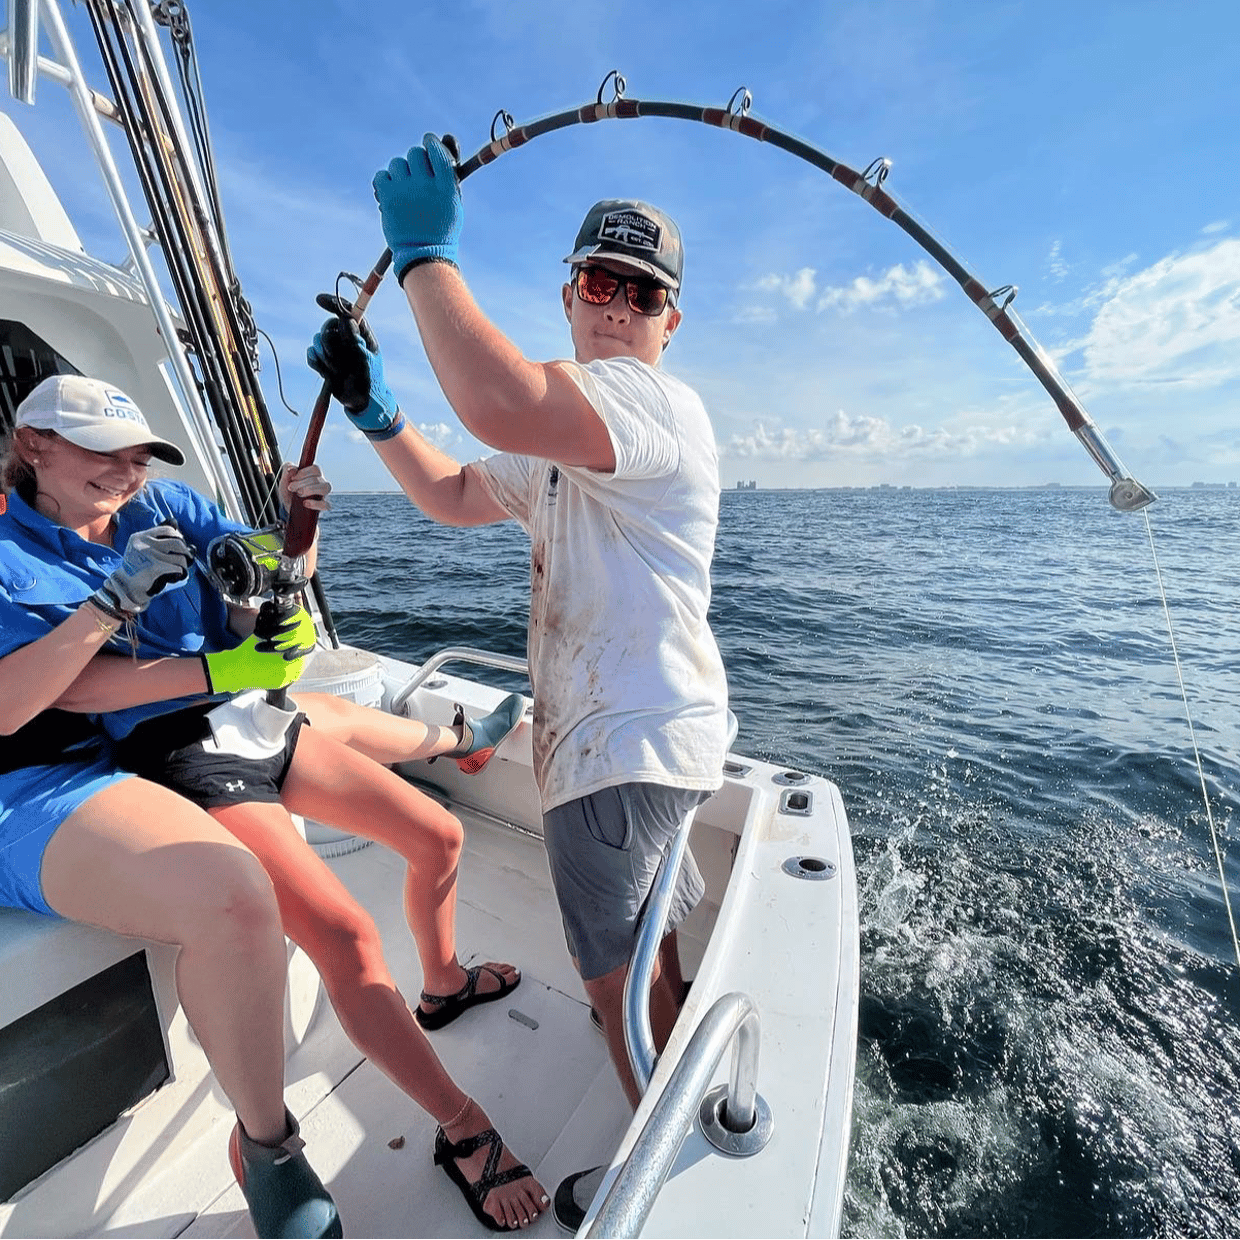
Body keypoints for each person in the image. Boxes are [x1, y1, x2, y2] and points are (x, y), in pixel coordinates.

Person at [2, 373, 548, 1233]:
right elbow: (66, 695)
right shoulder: (13, 552)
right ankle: (460, 1125)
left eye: (139, 454)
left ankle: (441, 985)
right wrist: (196, 652)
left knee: (439, 835)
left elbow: (273, 568)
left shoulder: (165, 502)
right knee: (347, 934)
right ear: (34, 446)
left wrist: (303, 526)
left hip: (246, 715)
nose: (127, 470)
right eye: (104, 453)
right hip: (177, 752)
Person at [308, 138, 730, 1230]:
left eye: (643, 293)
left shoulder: (643, 405)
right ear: (572, 294)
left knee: (615, 987)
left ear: (668, 323)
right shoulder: (564, 434)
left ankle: (662, 1192)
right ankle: (673, 1104)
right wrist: (373, 411)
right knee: (648, 962)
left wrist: (421, 258)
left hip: (619, 754)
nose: (619, 306)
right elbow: (455, 488)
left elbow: (496, 400)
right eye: (601, 282)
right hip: (647, 742)